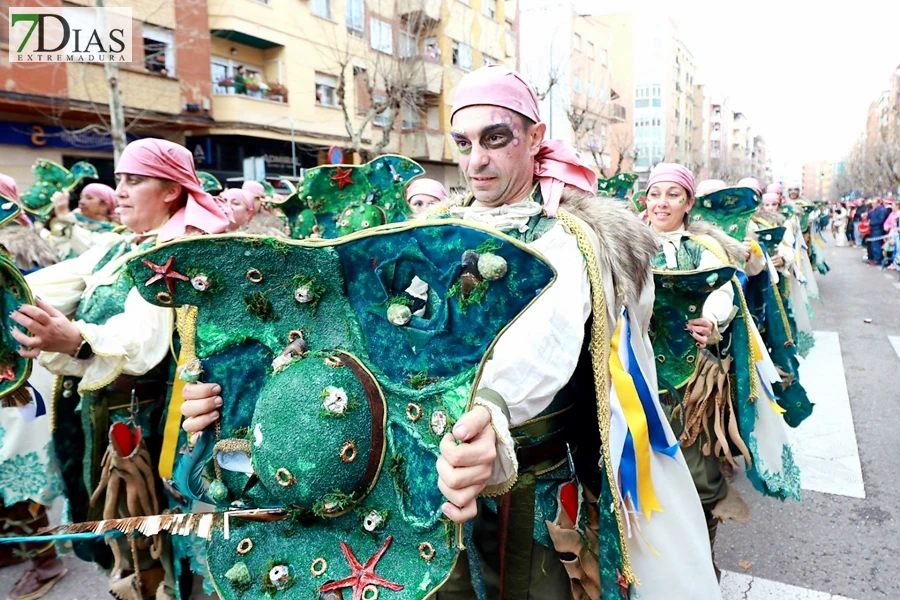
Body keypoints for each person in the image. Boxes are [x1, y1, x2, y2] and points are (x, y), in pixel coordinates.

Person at [183, 64, 721, 600]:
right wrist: (246, 398)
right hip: (419, 488)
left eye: (495, 139)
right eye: (463, 143)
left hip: (527, 493)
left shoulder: (570, 240)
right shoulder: (432, 232)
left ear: (535, 139)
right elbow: (361, 337)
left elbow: (542, 342)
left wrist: (487, 413)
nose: (476, 160)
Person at [12, 138, 229, 600]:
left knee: (154, 545)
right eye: (119, 180)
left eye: (134, 180)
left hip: (154, 425)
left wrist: (77, 341)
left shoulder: (185, 249)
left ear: (171, 190)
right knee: (119, 539)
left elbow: (145, 342)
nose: (120, 191)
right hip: (102, 414)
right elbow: (47, 285)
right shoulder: (121, 245)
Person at [645, 165, 800, 580]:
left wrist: (711, 323)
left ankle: (698, 564)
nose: (662, 202)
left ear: (688, 204)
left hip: (691, 382)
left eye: (672, 195)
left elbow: (725, 290)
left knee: (698, 474)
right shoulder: (627, 243)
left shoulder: (704, 248)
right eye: (654, 193)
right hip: (632, 376)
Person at [0, 186, 67, 600]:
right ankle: (15, 546)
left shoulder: (6, 268)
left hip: (14, 390)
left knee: (16, 474)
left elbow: (19, 329)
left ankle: (46, 559)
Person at [46, 182, 121, 260]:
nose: (81, 202)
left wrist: (65, 216)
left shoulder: (113, 231)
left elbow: (90, 252)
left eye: (89, 198)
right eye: (81, 197)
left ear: (104, 205)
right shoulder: (77, 222)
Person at [867, 198, 890, 265]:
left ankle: (877, 259)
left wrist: (871, 223)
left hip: (878, 229)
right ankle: (874, 258)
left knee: (876, 244)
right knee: (873, 244)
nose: (873, 205)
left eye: (874, 203)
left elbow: (881, 220)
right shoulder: (874, 210)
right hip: (873, 229)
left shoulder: (882, 210)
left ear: (879, 203)